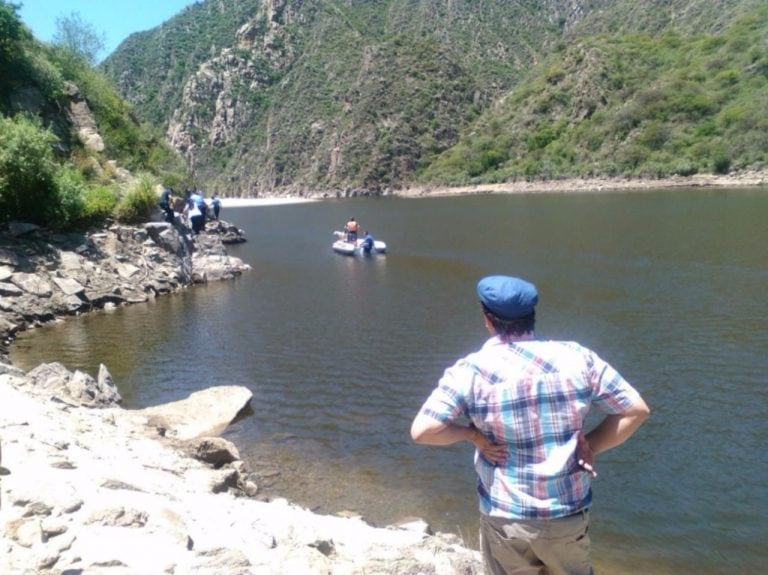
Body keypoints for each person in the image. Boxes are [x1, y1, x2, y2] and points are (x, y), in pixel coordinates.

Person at [410, 275, 650, 575]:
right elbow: (635, 410)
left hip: (506, 514)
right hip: (566, 512)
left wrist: (472, 434)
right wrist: (590, 445)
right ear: (531, 317)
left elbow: (423, 431)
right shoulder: (578, 357)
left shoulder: (470, 370)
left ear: (488, 320)